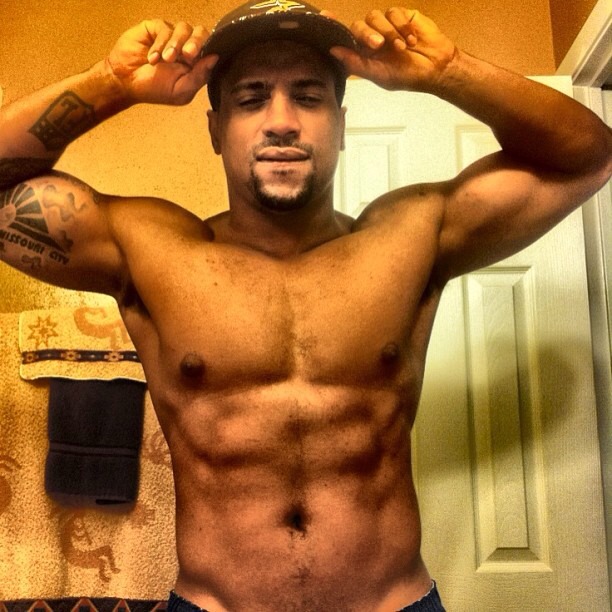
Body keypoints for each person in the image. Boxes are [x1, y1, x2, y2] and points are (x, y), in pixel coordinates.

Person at [0, 1, 610, 610]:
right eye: (251, 99)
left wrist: (448, 70)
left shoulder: (411, 237)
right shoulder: (151, 249)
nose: (282, 122)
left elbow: (588, 155)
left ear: (341, 126)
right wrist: (110, 82)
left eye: (309, 97)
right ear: (215, 130)